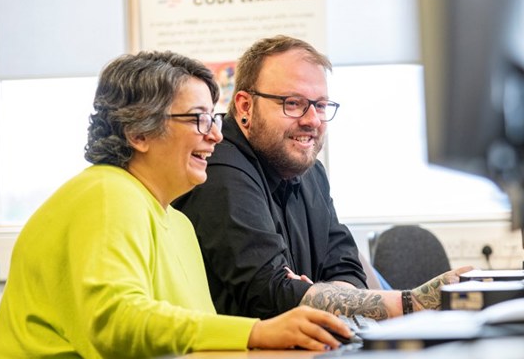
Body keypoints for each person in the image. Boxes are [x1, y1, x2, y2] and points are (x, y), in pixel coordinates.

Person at [0, 51, 352, 358]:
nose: (215, 134)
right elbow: (116, 323)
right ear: (138, 132)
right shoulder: (107, 193)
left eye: (213, 118)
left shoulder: (178, 223)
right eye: (198, 118)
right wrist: (257, 332)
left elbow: (192, 338)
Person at [173, 35, 472, 321]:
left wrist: (319, 295)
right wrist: (409, 303)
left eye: (320, 105)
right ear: (245, 107)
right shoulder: (218, 168)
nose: (312, 120)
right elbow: (271, 295)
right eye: (293, 103)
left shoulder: (310, 172)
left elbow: (348, 268)